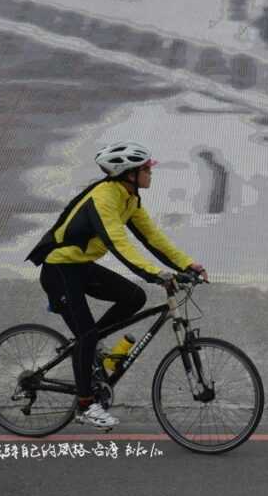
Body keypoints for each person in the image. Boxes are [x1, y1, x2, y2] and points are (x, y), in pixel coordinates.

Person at [26, 142, 208, 429]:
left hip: (80, 266)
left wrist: (187, 264)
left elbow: (152, 237)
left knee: (133, 297)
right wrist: (156, 274)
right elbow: (118, 244)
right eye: (146, 168)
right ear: (128, 173)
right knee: (86, 335)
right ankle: (85, 405)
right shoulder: (104, 198)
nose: (151, 173)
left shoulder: (129, 197)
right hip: (59, 269)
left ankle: (91, 350)